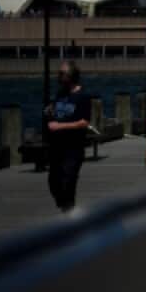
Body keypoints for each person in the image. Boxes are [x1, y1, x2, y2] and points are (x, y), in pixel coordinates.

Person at [46, 61, 91, 212]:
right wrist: (50, 111)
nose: (58, 76)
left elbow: (84, 123)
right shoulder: (60, 94)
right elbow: (57, 111)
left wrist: (60, 126)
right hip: (56, 147)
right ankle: (65, 206)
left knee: (68, 183)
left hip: (73, 149)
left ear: (71, 76)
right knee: (53, 182)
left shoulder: (82, 96)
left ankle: (69, 215)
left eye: (61, 74)